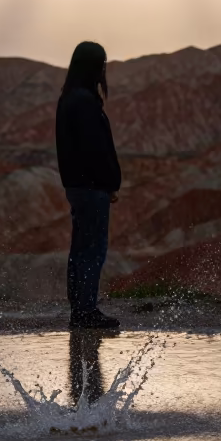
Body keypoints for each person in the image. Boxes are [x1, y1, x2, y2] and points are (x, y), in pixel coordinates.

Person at [55, 41, 122, 330]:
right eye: (102, 64)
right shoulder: (84, 101)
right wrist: (109, 183)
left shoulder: (69, 98)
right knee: (92, 250)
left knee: (81, 249)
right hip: (91, 187)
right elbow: (95, 150)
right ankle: (85, 311)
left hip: (78, 186)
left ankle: (80, 309)